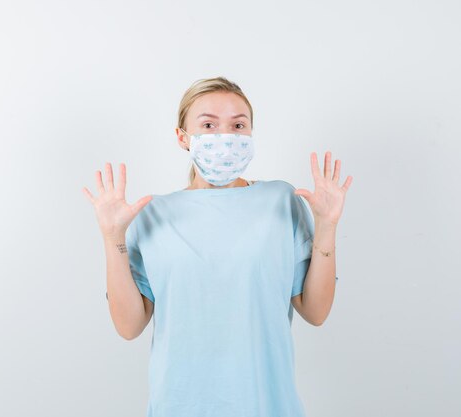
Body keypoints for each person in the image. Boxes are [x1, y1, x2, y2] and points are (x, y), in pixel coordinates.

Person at [82, 76, 352, 417]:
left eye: (238, 125)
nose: (225, 136)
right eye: (208, 124)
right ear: (183, 137)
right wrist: (112, 237)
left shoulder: (280, 201)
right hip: (180, 405)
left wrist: (327, 226)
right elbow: (129, 326)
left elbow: (316, 311)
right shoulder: (153, 214)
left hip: (266, 404)